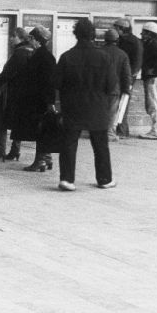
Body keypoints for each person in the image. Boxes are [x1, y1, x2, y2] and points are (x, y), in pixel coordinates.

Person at [55, 17, 119, 191]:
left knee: (69, 143)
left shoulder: (67, 57)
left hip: (73, 107)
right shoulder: (104, 57)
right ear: (92, 35)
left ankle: (67, 180)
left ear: (75, 34)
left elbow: (57, 84)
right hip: (97, 107)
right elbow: (111, 85)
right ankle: (104, 179)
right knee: (100, 145)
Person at [0, 28, 33, 162]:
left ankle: (0, 151)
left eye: (14, 36)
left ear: (21, 38)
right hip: (23, 93)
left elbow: (8, 73)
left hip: (11, 92)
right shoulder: (30, 51)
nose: (11, 39)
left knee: (1, 121)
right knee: (17, 122)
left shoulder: (19, 53)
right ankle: (15, 150)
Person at [21, 25, 57, 172]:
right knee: (44, 129)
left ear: (37, 40)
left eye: (32, 38)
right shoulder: (46, 55)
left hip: (39, 100)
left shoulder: (41, 56)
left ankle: (40, 161)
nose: (30, 41)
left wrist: (49, 102)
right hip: (42, 99)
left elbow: (48, 82)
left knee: (40, 130)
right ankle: (47, 158)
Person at [101, 28, 132, 143]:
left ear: (105, 39)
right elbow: (126, 74)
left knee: (101, 110)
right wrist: (127, 88)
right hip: (115, 88)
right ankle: (109, 133)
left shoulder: (100, 51)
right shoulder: (122, 54)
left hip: (100, 87)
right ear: (117, 40)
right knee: (112, 111)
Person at [113, 18, 143, 138]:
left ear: (122, 29)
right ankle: (120, 129)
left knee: (122, 103)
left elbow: (132, 61)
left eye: (116, 28)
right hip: (125, 75)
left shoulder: (130, 42)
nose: (115, 30)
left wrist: (130, 76)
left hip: (126, 76)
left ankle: (122, 130)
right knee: (121, 102)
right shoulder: (130, 40)